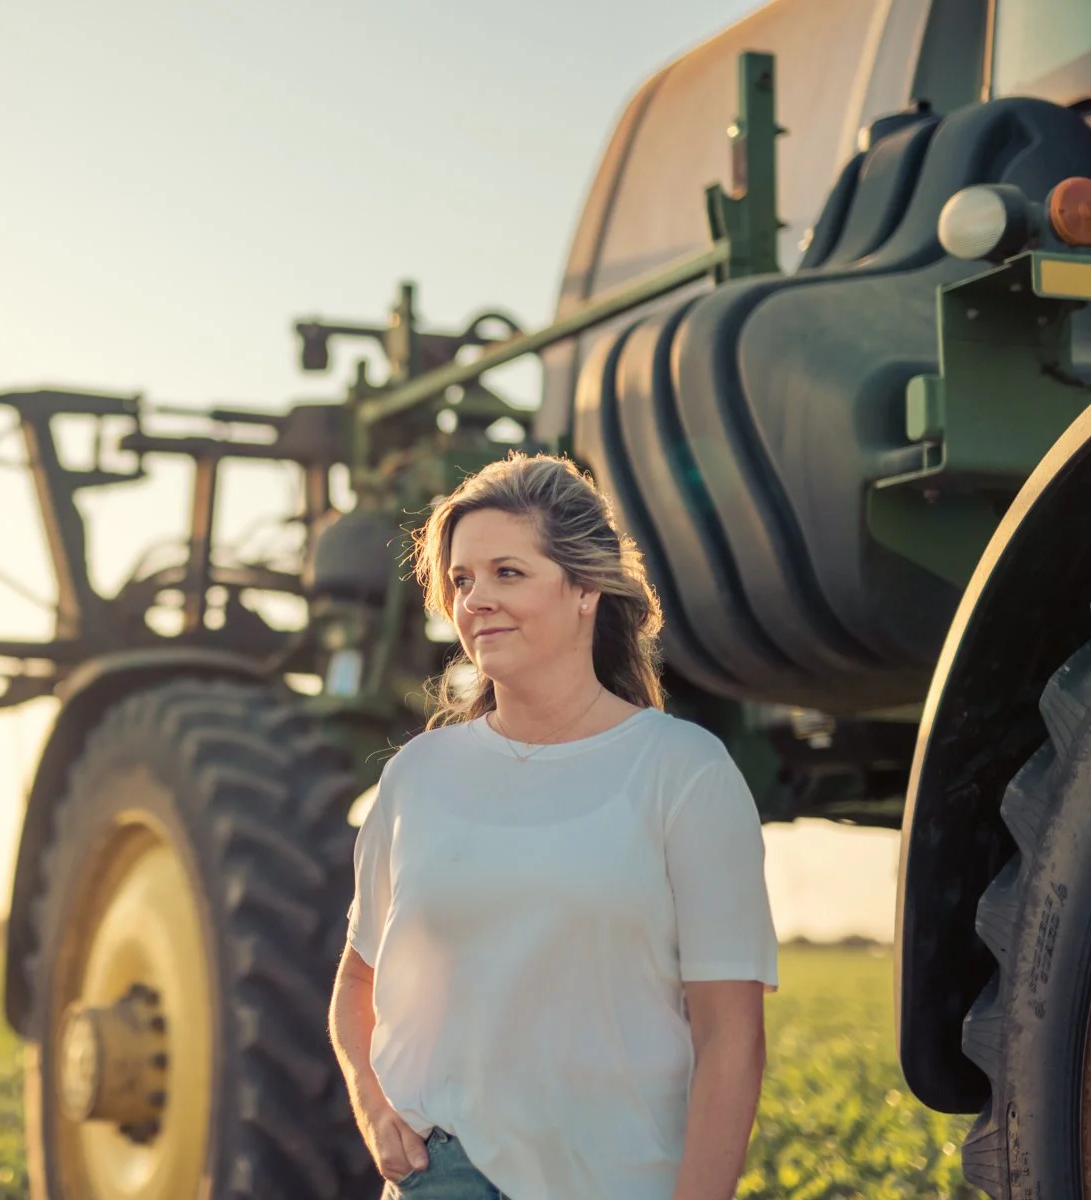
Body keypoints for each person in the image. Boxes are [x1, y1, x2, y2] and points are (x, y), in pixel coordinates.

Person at [328, 451, 777, 1200]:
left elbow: (731, 1037)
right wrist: (376, 1111)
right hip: (445, 1177)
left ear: (586, 589)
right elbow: (356, 980)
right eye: (462, 580)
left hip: (624, 1178)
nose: (476, 601)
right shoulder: (417, 775)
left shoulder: (683, 772)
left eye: (508, 573)